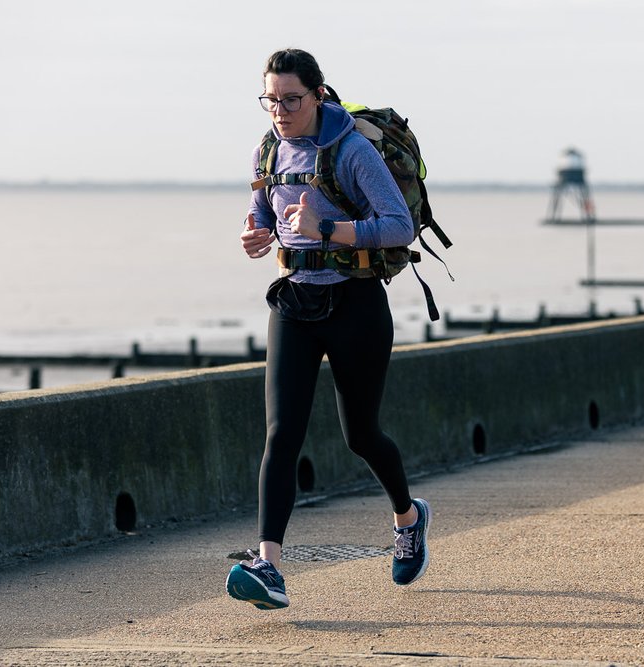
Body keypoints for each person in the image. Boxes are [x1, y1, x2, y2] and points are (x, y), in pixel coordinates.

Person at [225, 48, 431, 610]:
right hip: (294, 300)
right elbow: (264, 213)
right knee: (280, 435)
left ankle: (408, 517)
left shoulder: (352, 151)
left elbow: (397, 226)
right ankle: (268, 565)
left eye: (291, 99)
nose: (280, 111)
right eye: (271, 100)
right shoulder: (267, 149)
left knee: (360, 435)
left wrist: (329, 228)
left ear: (318, 95)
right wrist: (256, 234)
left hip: (355, 304)